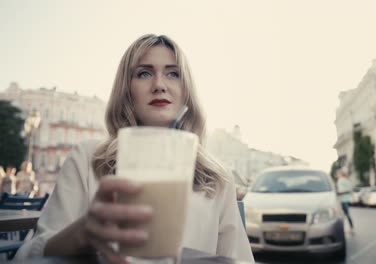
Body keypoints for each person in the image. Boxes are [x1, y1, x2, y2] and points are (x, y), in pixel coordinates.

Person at [15, 34, 254, 263]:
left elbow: (238, 259)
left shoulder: (217, 178)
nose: (159, 85)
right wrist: (79, 235)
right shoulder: (88, 158)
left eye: (173, 73)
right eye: (144, 73)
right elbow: (28, 256)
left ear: (187, 92)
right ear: (126, 89)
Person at [336, 169, 354, 234]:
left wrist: (337, 193)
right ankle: (351, 228)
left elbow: (341, 191)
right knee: (347, 214)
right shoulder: (347, 180)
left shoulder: (340, 181)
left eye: (337, 174)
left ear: (340, 174)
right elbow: (351, 190)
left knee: (342, 215)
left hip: (343, 200)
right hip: (349, 199)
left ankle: (342, 230)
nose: (336, 176)